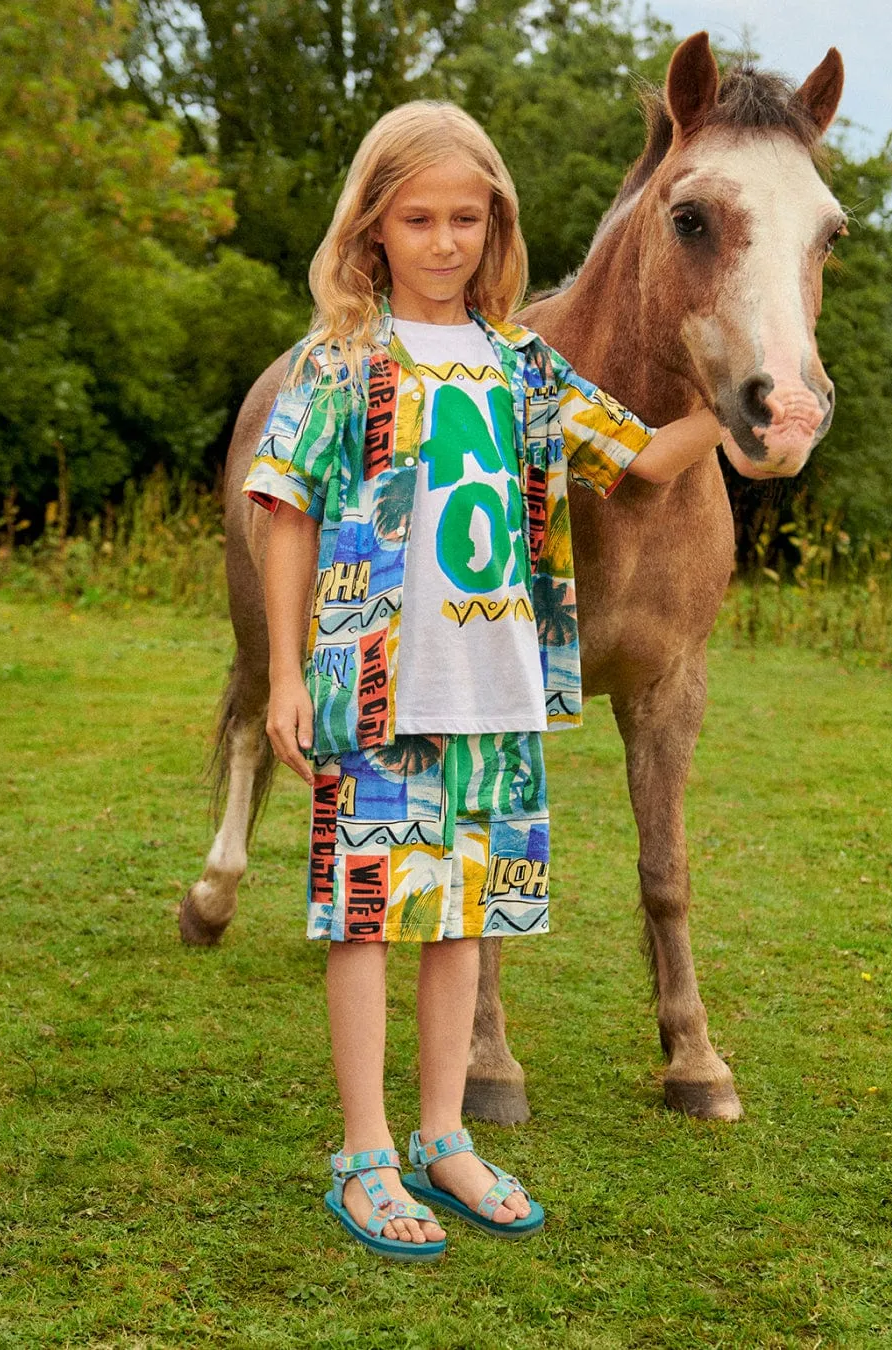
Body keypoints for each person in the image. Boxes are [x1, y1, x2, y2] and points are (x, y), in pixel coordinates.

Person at [242, 100, 723, 1262]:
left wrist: (741, 411)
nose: (446, 240)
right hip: (369, 683)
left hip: (500, 692)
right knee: (368, 921)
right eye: (420, 218)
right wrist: (291, 670)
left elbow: (646, 463)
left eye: (469, 217)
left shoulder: (522, 365)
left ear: (497, 227)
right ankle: (364, 1153)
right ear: (373, 229)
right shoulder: (339, 364)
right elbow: (283, 512)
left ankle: (444, 1134)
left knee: (465, 915)